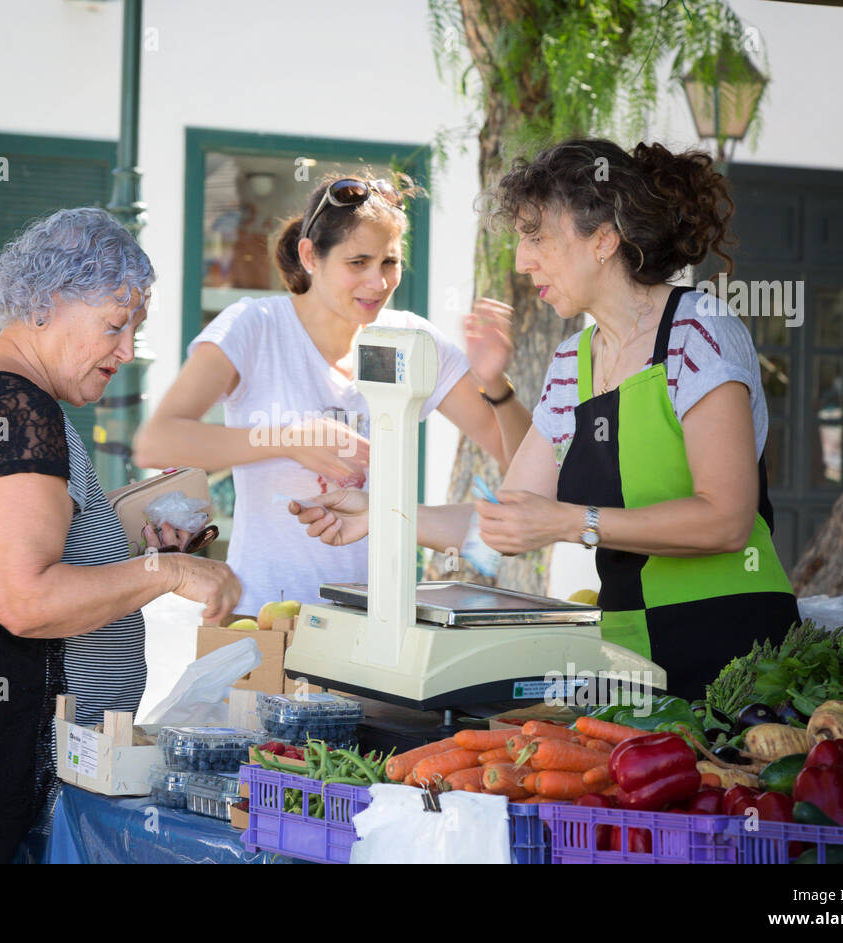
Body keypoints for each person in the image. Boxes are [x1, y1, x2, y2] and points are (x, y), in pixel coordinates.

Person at [293, 140, 800, 700]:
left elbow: (726, 520)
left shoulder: (698, 330)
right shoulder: (571, 363)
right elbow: (503, 527)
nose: (521, 260)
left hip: (737, 647)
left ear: (604, 239)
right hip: (627, 652)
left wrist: (570, 522)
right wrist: (381, 514)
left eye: (537, 238)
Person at [0, 208, 241, 863]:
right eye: (115, 324)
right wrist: (169, 574)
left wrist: (141, 555)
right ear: (45, 304)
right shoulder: (19, 408)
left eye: (137, 327)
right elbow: (27, 599)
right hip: (3, 786)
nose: (128, 350)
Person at [134, 173, 530, 617]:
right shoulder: (254, 326)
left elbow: (525, 463)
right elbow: (159, 441)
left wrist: (495, 382)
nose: (378, 283)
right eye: (358, 262)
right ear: (310, 256)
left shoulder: (414, 340)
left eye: (389, 263)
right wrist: (289, 440)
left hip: (380, 622)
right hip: (263, 617)